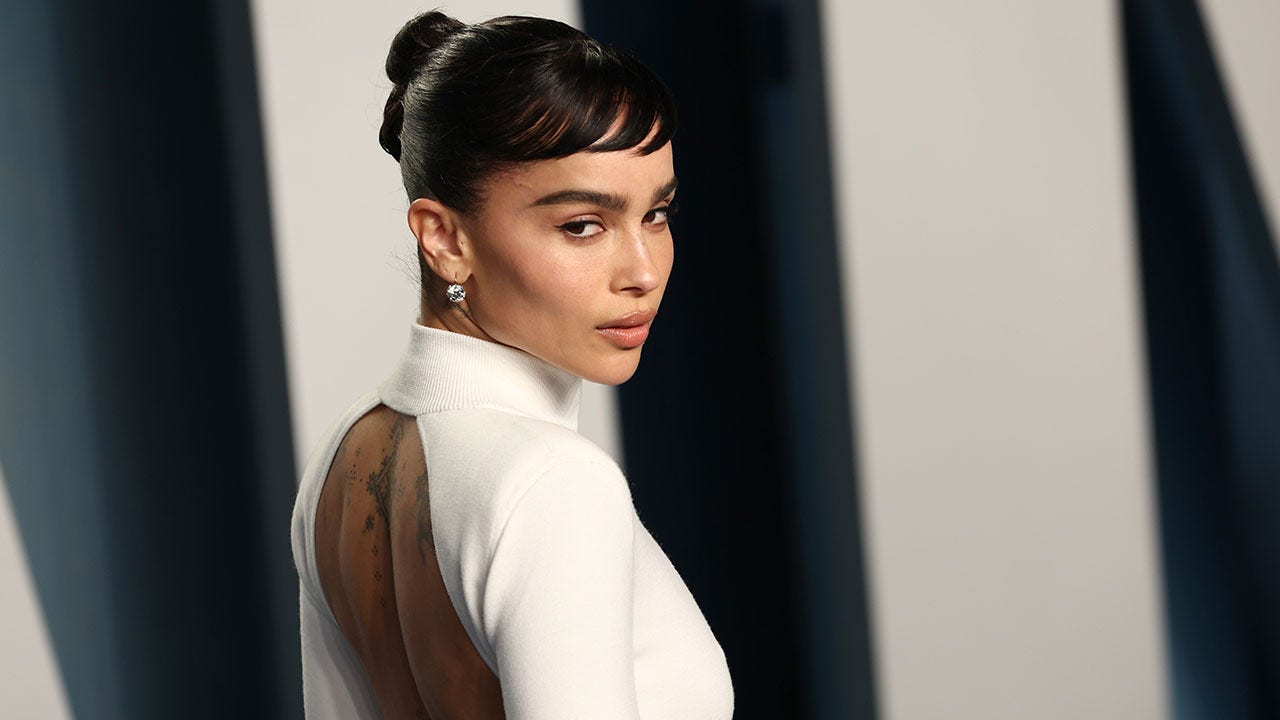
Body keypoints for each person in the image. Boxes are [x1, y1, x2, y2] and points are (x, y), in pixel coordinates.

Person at [289, 10, 734, 719]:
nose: (644, 271)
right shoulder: (555, 482)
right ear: (444, 238)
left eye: (656, 214)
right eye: (582, 225)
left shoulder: (344, 458)